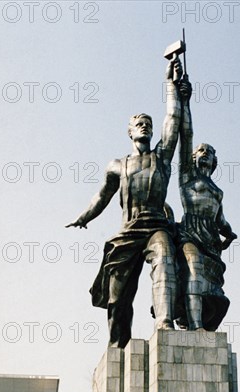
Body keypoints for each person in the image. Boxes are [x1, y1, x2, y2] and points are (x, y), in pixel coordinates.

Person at [66, 58, 183, 348]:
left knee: (165, 257)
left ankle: (164, 322)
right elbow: (101, 197)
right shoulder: (117, 165)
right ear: (129, 132)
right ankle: (118, 345)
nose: (144, 126)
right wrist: (84, 217)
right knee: (117, 297)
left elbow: (173, 120)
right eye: (138, 124)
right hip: (127, 232)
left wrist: (171, 84)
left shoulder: (162, 158)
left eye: (148, 124)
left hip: (157, 227)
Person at [176, 77, 237, 331]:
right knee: (193, 269)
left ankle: (199, 323)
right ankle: (195, 324)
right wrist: (185, 102)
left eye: (209, 152)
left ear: (214, 161)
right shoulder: (187, 176)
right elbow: (186, 134)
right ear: (193, 157)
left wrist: (229, 234)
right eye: (201, 151)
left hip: (211, 240)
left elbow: (221, 221)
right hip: (190, 233)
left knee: (211, 289)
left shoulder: (217, 192)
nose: (205, 154)